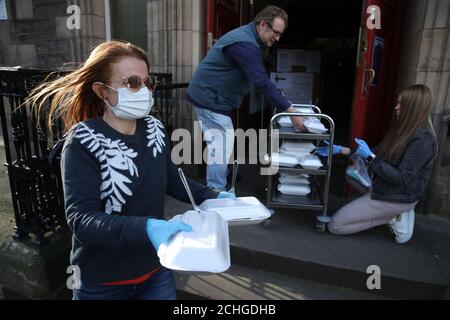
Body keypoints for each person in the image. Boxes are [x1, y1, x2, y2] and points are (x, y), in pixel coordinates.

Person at [28, 41, 235, 300]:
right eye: (133, 82)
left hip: (155, 270)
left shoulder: (155, 129)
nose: (144, 90)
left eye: (148, 83)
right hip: (101, 281)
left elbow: (173, 179)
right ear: (102, 90)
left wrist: (212, 196)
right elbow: (82, 220)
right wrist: (147, 228)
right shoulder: (82, 141)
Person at [187, 5, 306, 190]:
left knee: (221, 142)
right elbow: (260, 80)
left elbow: (260, 77)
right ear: (261, 25)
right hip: (209, 98)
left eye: (280, 34)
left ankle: (221, 177)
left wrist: (281, 100)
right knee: (222, 144)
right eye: (275, 32)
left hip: (216, 97)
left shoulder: (253, 39)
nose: (277, 38)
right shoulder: (244, 43)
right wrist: (290, 110)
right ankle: (215, 191)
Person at [316, 85, 438, 244]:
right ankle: (387, 211)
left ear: (413, 109)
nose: (396, 107)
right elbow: (373, 154)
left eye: (401, 104)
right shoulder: (403, 129)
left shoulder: (423, 140)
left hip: (397, 196)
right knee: (351, 172)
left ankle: (391, 217)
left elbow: (400, 177)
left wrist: (370, 157)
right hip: (385, 187)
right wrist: (340, 150)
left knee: (335, 226)